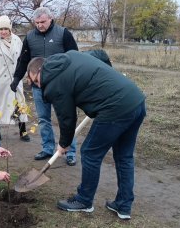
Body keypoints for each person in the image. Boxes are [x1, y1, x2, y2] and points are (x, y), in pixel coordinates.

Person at [26, 51, 146, 219]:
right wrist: (105, 84)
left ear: (40, 70)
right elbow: (101, 54)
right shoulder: (71, 55)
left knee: (90, 153)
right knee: (124, 157)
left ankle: (84, 201)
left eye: (36, 81)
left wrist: (64, 144)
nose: (39, 86)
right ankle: (123, 205)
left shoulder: (53, 83)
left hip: (115, 108)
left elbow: (67, 118)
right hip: (136, 100)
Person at [10, 7, 79, 165]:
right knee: (43, 119)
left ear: (50, 19)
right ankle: (48, 148)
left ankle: (70, 151)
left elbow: (75, 57)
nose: (40, 25)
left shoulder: (63, 34)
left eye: (43, 22)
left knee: (66, 118)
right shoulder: (29, 37)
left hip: (61, 87)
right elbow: (23, 59)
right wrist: (16, 78)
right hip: (38, 86)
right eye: (37, 22)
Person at [0, 15, 30, 142]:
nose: (3, 31)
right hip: (1, 79)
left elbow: (22, 58)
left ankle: (23, 131)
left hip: (16, 79)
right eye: (0, 29)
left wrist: (24, 74)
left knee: (20, 103)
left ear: (10, 28)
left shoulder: (17, 40)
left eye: (5, 29)